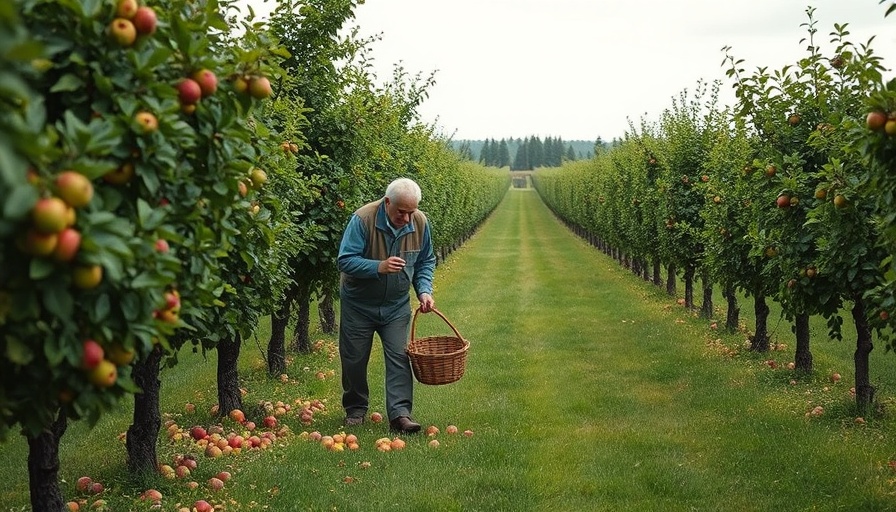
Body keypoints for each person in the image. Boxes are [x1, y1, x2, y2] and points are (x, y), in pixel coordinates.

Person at [337, 177, 437, 433]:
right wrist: (378, 267)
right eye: (400, 212)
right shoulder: (362, 220)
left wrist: (424, 291)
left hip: (395, 306)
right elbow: (345, 260)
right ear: (387, 202)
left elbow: (426, 260)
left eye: (410, 212)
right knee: (354, 359)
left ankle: (400, 415)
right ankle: (356, 409)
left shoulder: (421, 222)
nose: (406, 218)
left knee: (400, 357)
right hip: (359, 304)